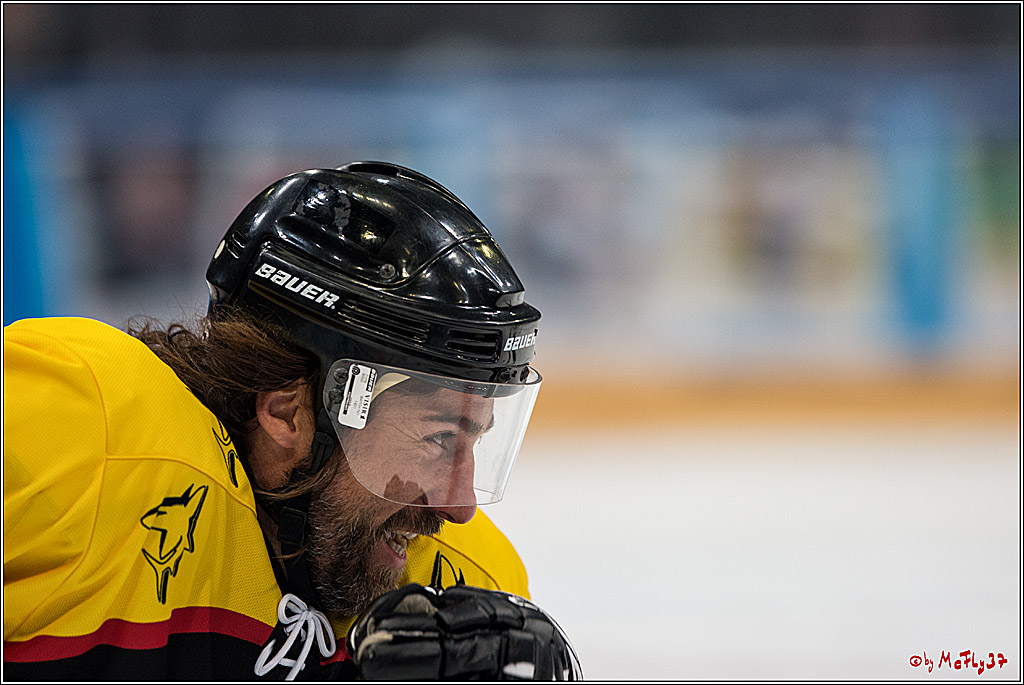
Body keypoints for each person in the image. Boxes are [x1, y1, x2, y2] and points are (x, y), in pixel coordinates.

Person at [4, 162, 581, 680]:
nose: (458, 506)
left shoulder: (460, 592)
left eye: (476, 440)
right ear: (287, 410)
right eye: (437, 438)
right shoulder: (81, 435)